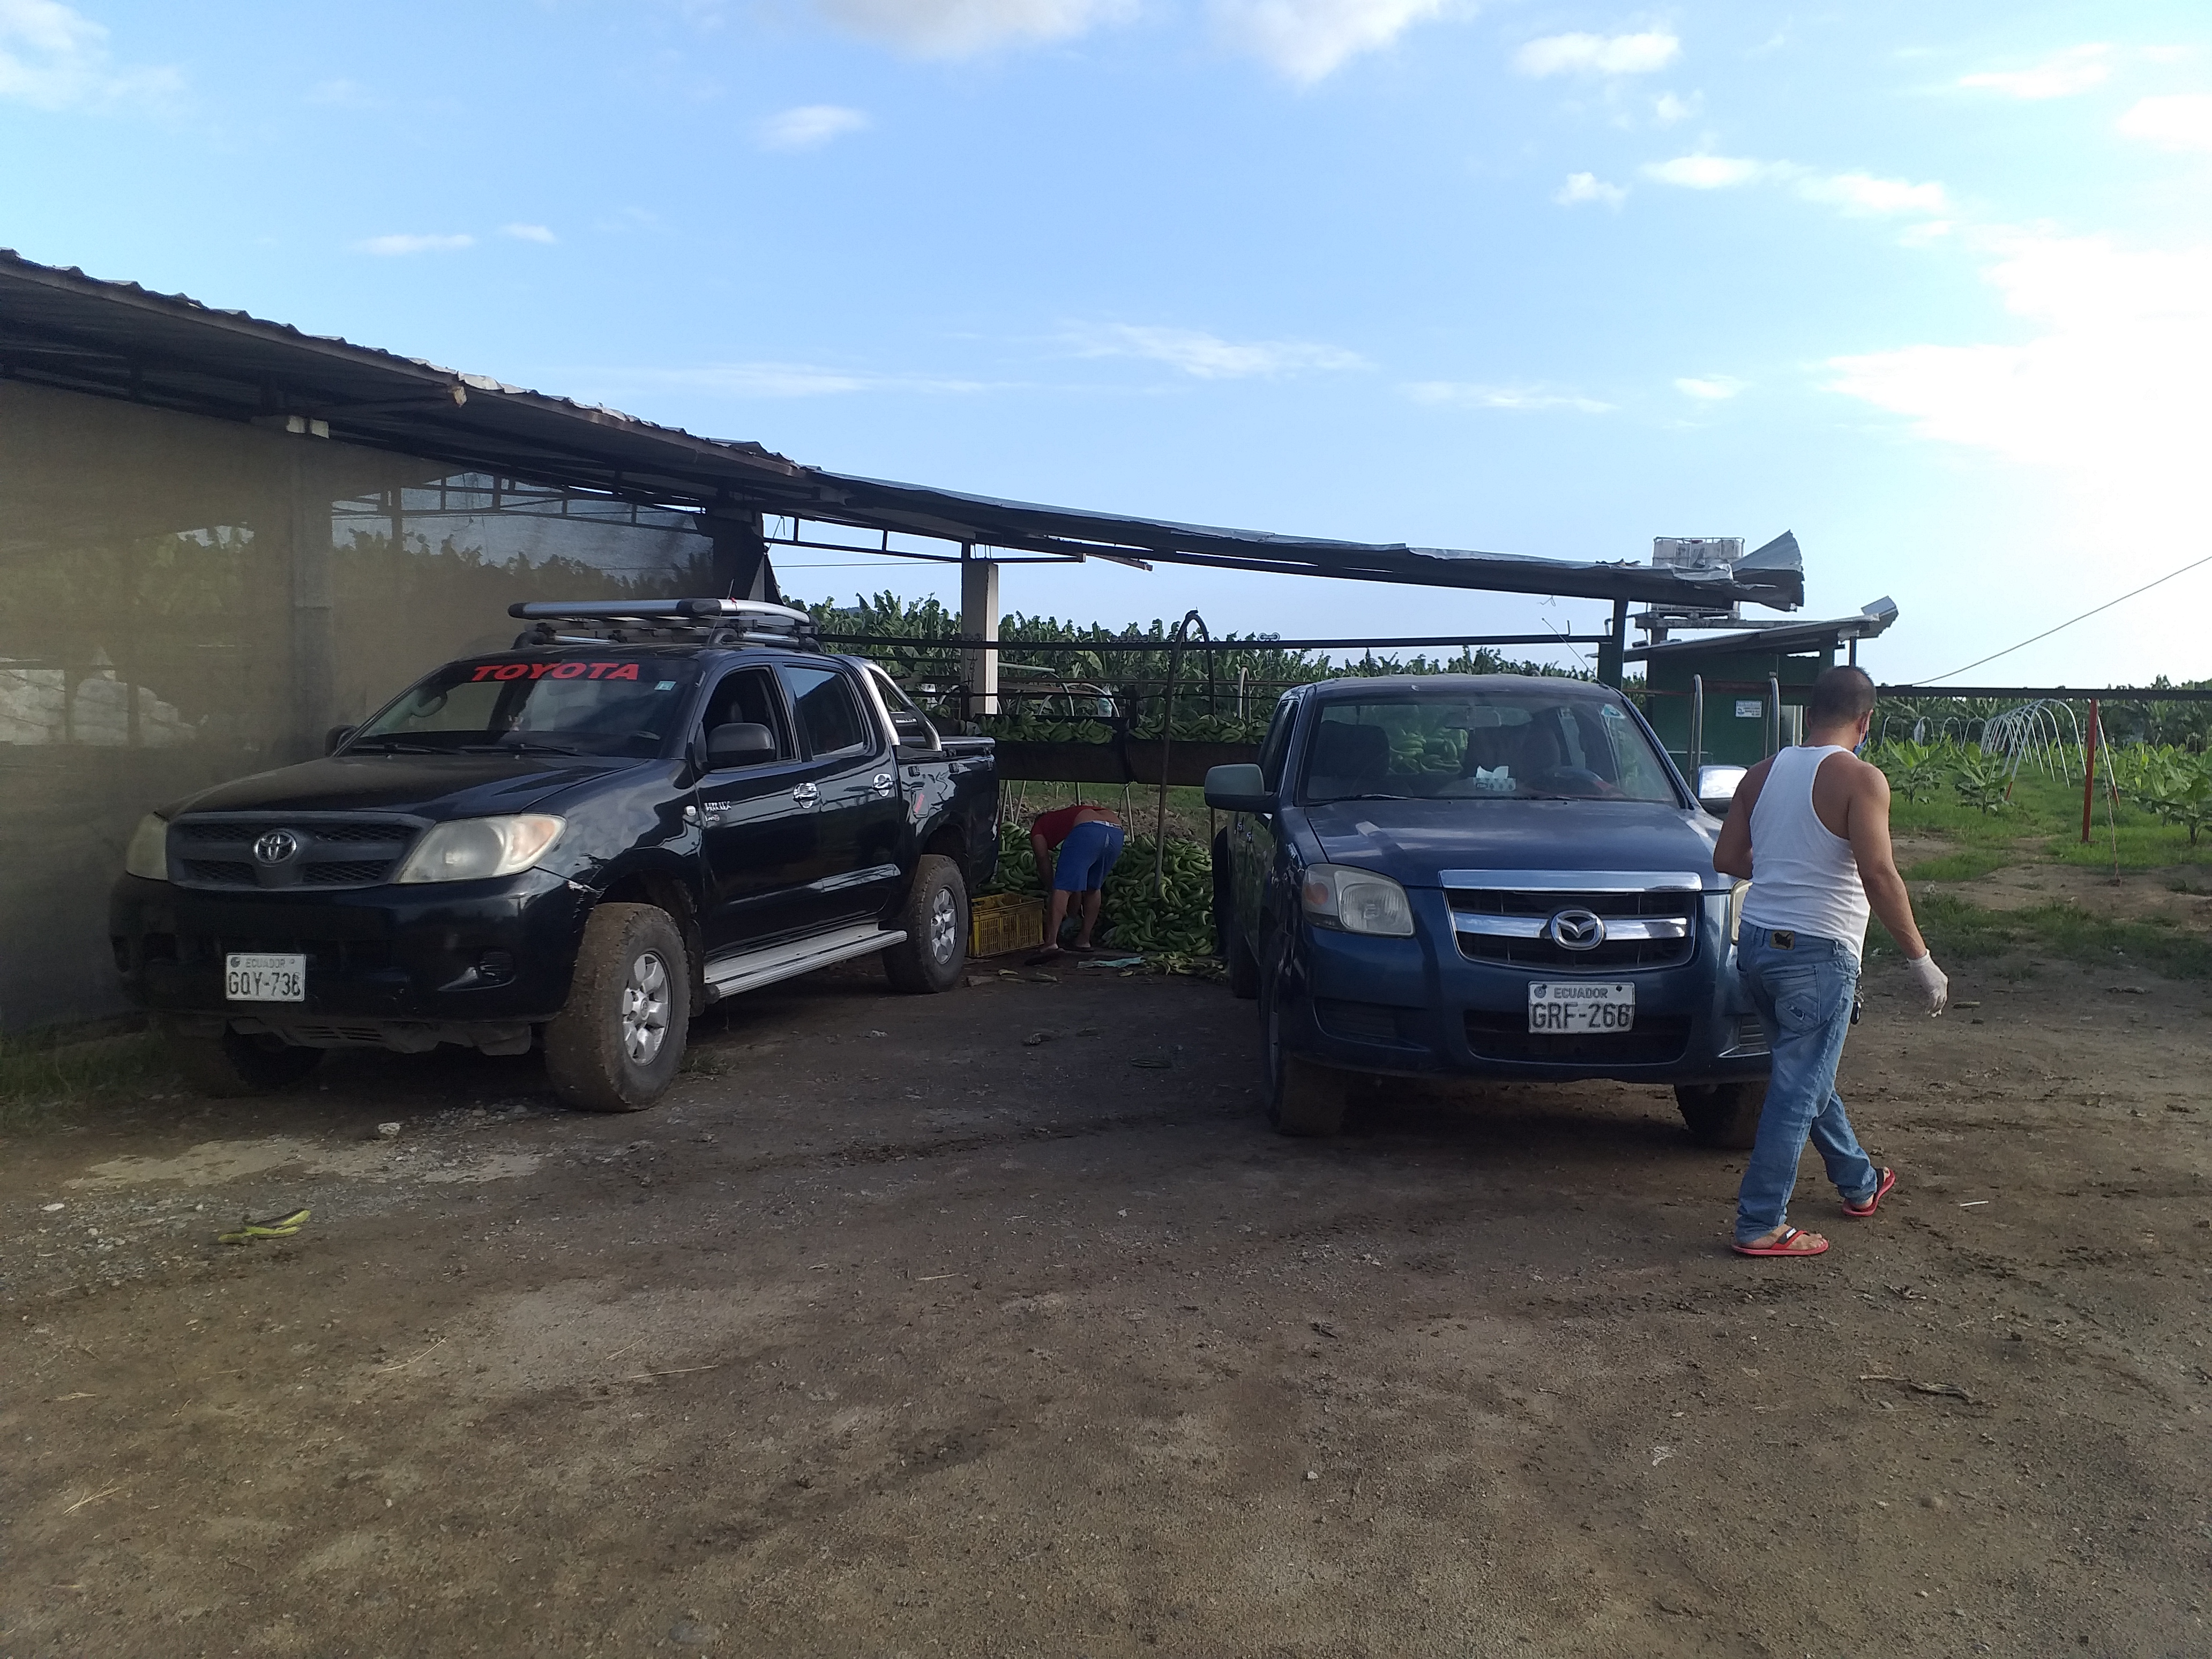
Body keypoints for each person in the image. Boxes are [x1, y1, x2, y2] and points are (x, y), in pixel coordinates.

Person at [1712, 664, 1949, 1259]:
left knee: (1805, 1075)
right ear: (1865, 722)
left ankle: (1859, 1182)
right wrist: (1920, 959)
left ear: (1810, 714)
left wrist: (1784, 867)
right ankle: (1760, 1223)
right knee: (1797, 1089)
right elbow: (1878, 873)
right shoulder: (1862, 779)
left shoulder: (1760, 774)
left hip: (1758, 945)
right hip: (1818, 954)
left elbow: (1727, 857)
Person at [1027, 799, 1125, 960]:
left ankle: (1051, 943)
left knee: (1062, 888)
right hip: (1116, 831)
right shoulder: (1063, 817)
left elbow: (1042, 859)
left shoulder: (1038, 828)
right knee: (1093, 887)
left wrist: (1052, 886)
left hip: (1088, 830)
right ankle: (1084, 940)